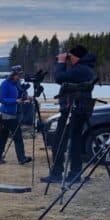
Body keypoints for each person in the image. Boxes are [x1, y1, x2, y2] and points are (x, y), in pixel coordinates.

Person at [41, 45, 97, 185]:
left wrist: (60, 63)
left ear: (76, 56)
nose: (68, 60)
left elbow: (60, 78)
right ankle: (74, 174)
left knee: (60, 142)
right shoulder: (85, 68)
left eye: (70, 57)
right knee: (75, 142)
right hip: (79, 109)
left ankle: (58, 173)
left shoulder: (81, 69)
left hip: (73, 110)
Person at [0, 65, 33, 165]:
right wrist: (15, 101)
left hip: (14, 115)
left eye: (20, 75)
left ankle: (22, 158)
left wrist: (26, 97)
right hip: (5, 116)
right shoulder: (5, 84)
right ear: (13, 74)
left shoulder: (16, 83)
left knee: (18, 137)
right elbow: (2, 99)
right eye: (18, 75)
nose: (19, 77)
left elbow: (21, 94)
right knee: (3, 136)